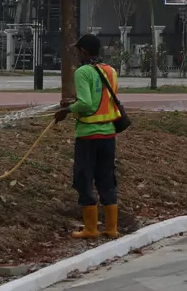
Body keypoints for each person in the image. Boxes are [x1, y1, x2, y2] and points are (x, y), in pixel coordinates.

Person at [55, 34, 121, 240]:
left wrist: (67, 111)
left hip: (88, 136)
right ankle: (111, 228)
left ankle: (91, 229)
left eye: (77, 51)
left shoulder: (83, 72)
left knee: (84, 179)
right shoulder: (111, 71)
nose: (76, 55)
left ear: (83, 51)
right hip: (108, 134)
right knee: (106, 180)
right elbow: (102, 100)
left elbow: (86, 104)